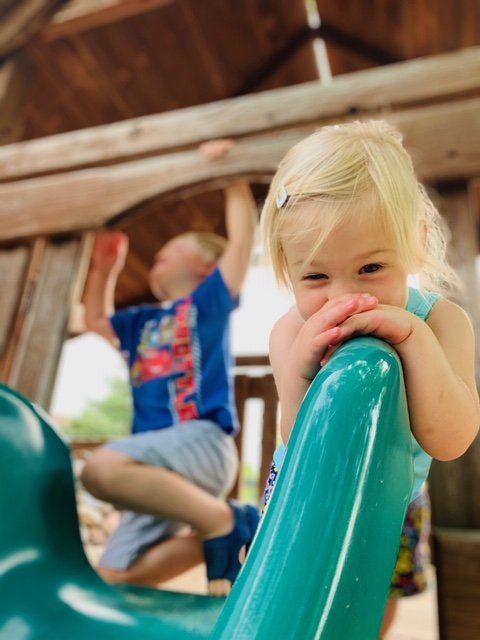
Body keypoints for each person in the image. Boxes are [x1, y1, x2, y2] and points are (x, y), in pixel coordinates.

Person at [260, 120, 479, 637]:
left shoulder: (442, 321)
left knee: (370, 606)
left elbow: (451, 440)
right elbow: (292, 436)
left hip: (391, 502)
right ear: (286, 269)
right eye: (315, 276)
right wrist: (299, 369)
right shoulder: (288, 332)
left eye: (371, 268)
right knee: (291, 607)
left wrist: (413, 339)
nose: (343, 297)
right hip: (303, 504)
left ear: (415, 244)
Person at [81, 139, 259, 597]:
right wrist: (106, 269)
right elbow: (95, 320)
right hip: (152, 461)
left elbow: (242, 242)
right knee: (111, 579)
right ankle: (216, 533)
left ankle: (222, 519)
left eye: (172, 247)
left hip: (200, 441)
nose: (159, 252)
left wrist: (233, 178)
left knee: (100, 469)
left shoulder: (206, 303)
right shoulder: (141, 320)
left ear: (205, 264)